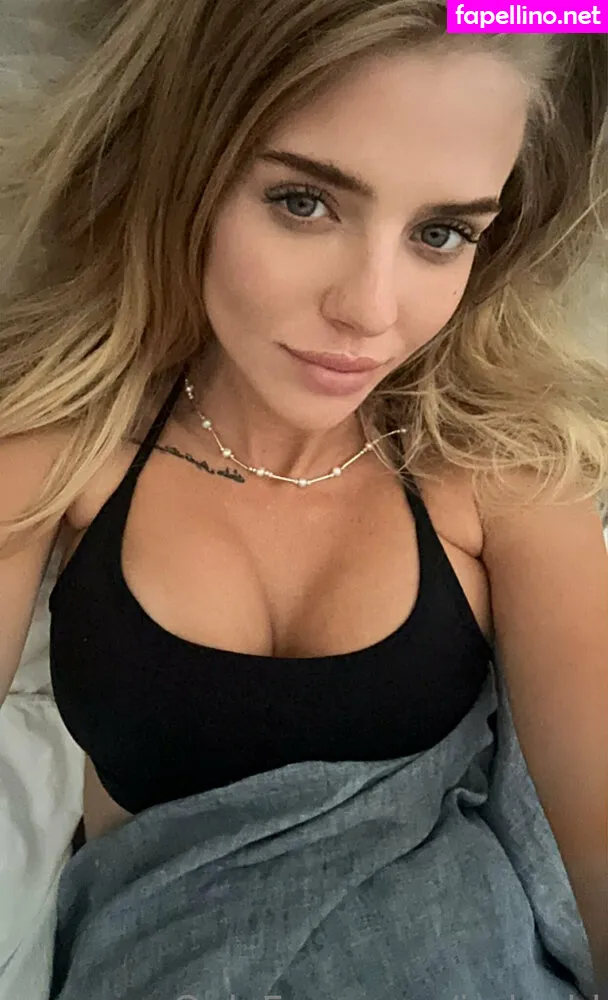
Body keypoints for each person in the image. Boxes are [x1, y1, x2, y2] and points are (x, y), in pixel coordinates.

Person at [0, 0, 606, 995]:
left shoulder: (502, 473)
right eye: (302, 202)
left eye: (440, 232)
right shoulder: (58, 451)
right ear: (189, 167)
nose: (369, 310)